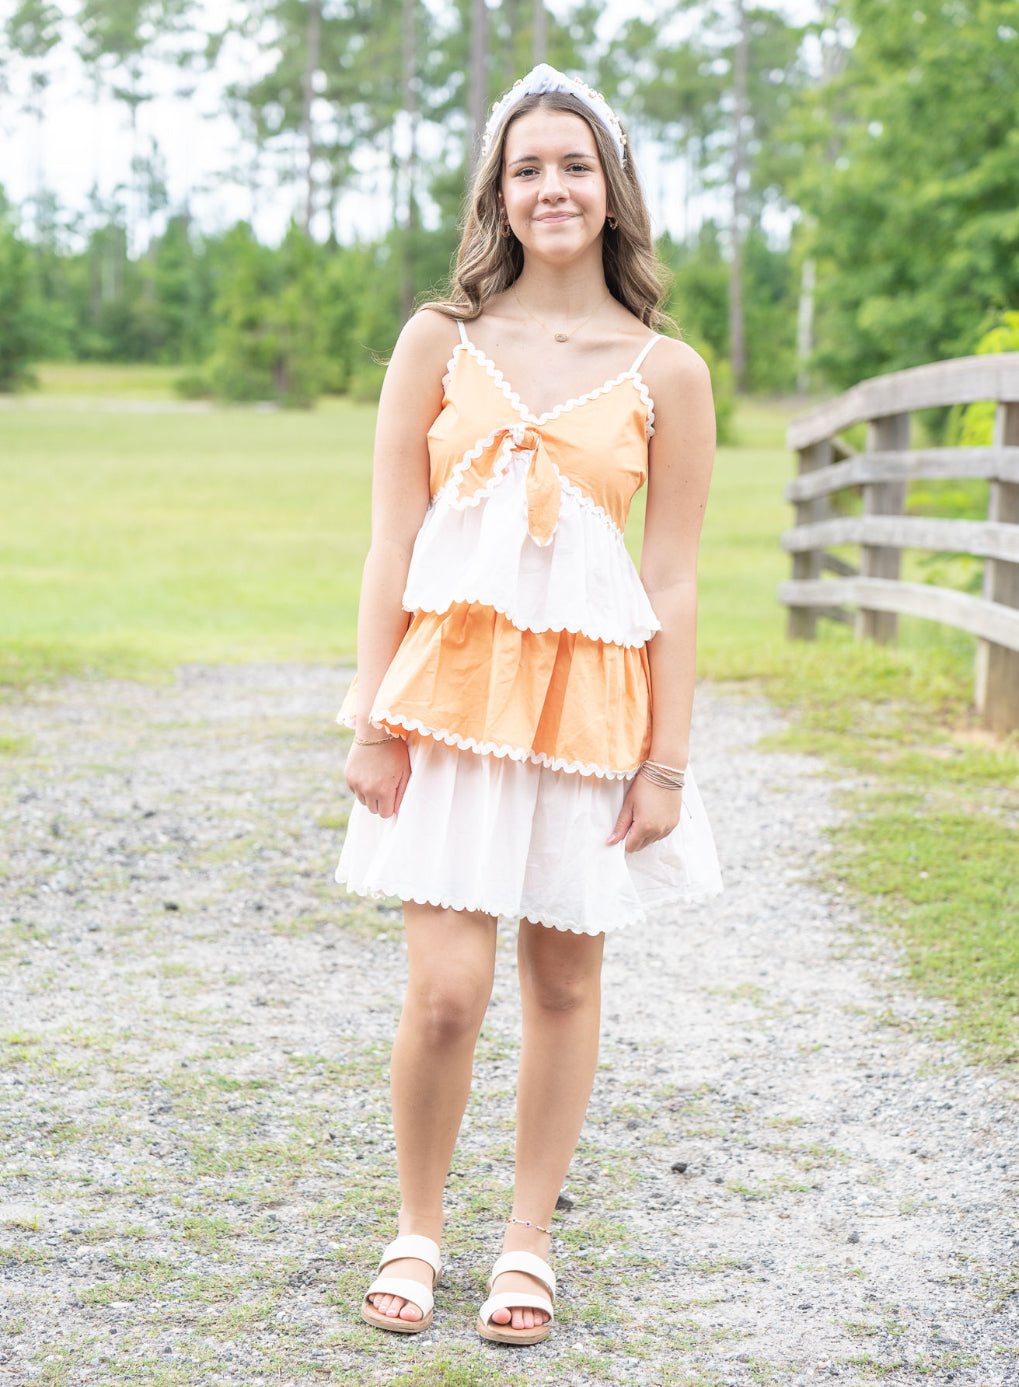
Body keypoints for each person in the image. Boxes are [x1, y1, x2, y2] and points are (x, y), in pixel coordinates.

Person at [336, 63, 721, 1347]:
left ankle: (526, 1238)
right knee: (446, 989)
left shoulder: (666, 370)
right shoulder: (439, 341)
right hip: (445, 704)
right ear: (498, 195)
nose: (550, 187)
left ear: (610, 188)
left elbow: (669, 572)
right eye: (526, 167)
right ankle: (416, 1226)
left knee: (562, 982)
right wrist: (370, 717)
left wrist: (663, 763)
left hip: (591, 709)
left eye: (573, 164)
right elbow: (391, 540)